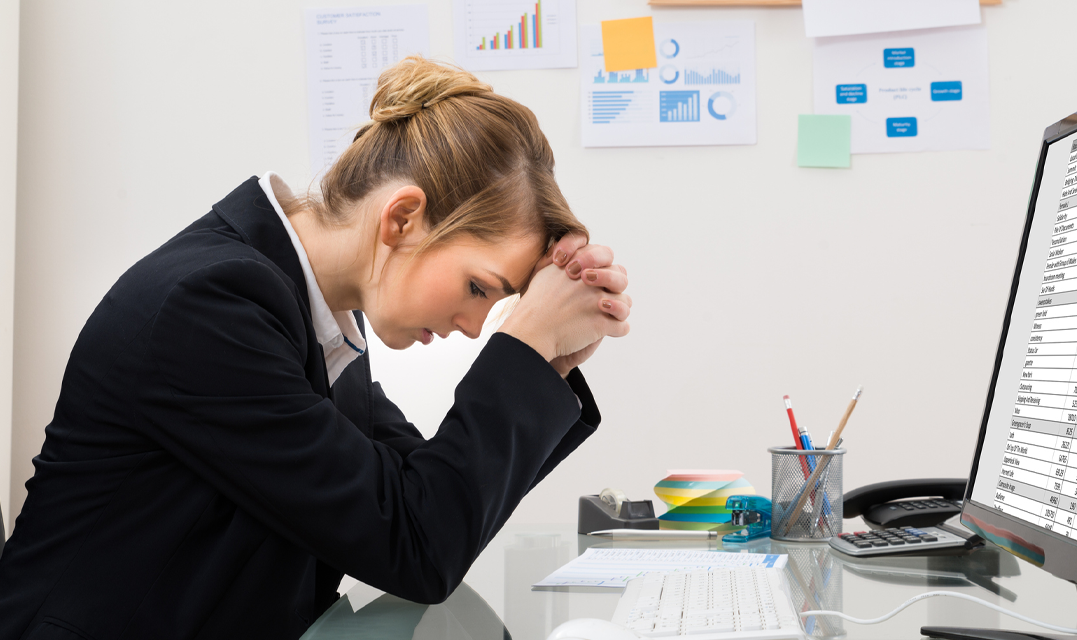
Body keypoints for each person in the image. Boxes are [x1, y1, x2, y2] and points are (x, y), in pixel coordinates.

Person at [0, 56, 630, 639]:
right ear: (402, 219)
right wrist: (524, 345)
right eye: (476, 287)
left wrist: (544, 361)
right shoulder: (211, 308)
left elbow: (427, 502)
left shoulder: (311, 318)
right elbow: (417, 544)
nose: (473, 326)